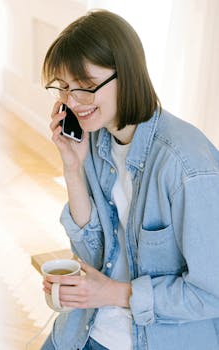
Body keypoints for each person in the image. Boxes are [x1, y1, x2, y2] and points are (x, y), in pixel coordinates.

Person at [40, 9, 219, 350]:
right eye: (64, 88)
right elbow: (92, 255)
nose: (73, 103)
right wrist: (72, 168)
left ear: (128, 75)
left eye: (87, 87)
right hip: (87, 326)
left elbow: (212, 293)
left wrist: (114, 293)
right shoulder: (94, 140)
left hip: (157, 337)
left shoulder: (187, 166)